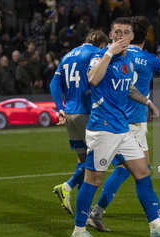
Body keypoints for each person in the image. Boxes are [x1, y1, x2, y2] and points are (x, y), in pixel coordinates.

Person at [70, 17, 160, 237]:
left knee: (142, 172)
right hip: (103, 129)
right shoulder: (99, 56)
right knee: (93, 179)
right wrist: (108, 53)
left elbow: (127, 87)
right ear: (111, 35)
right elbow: (93, 79)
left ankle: (155, 227)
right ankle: (78, 230)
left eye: (126, 32)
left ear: (132, 36)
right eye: (117, 32)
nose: (121, 35)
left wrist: (147, 102)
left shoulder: (128, 60)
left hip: (122, 128)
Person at [87, 16, 160, 232]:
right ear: (147, 35)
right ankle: (150, 217)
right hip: (132, 122)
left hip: (114, 117)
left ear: (130, 34)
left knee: (129, 169)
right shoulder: (150, 59)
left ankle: (156, 214)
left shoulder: (119, 53)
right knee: (132, 170)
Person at [50, 30, 109, 215]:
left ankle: (81, 207)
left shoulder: (68, 55)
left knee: (83, 159)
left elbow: (54, 83)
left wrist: (59, 106)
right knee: (100, 157)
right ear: (101, 44)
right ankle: (66, 187)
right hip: (87, 112)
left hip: (69, 113)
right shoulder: (95, 54)